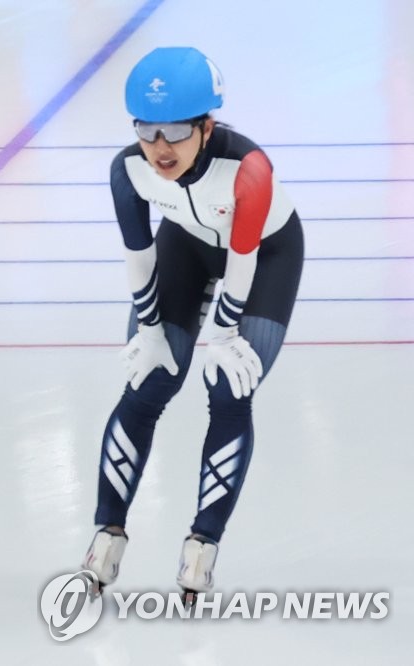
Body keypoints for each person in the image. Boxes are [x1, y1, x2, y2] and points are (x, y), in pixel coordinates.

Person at [81, 47, 304, 596]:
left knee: (230, 390)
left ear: (207, 127)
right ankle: (106, 535)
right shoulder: (127, 169)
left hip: (264, 257)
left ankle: (202, 545)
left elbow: (243, 262)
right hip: (186, 244)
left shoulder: (248, 170)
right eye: (147, 129)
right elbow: (140, 257)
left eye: (176, 131)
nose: (160, 148)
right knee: (147, 381)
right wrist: (152, 329)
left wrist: (224, 335)